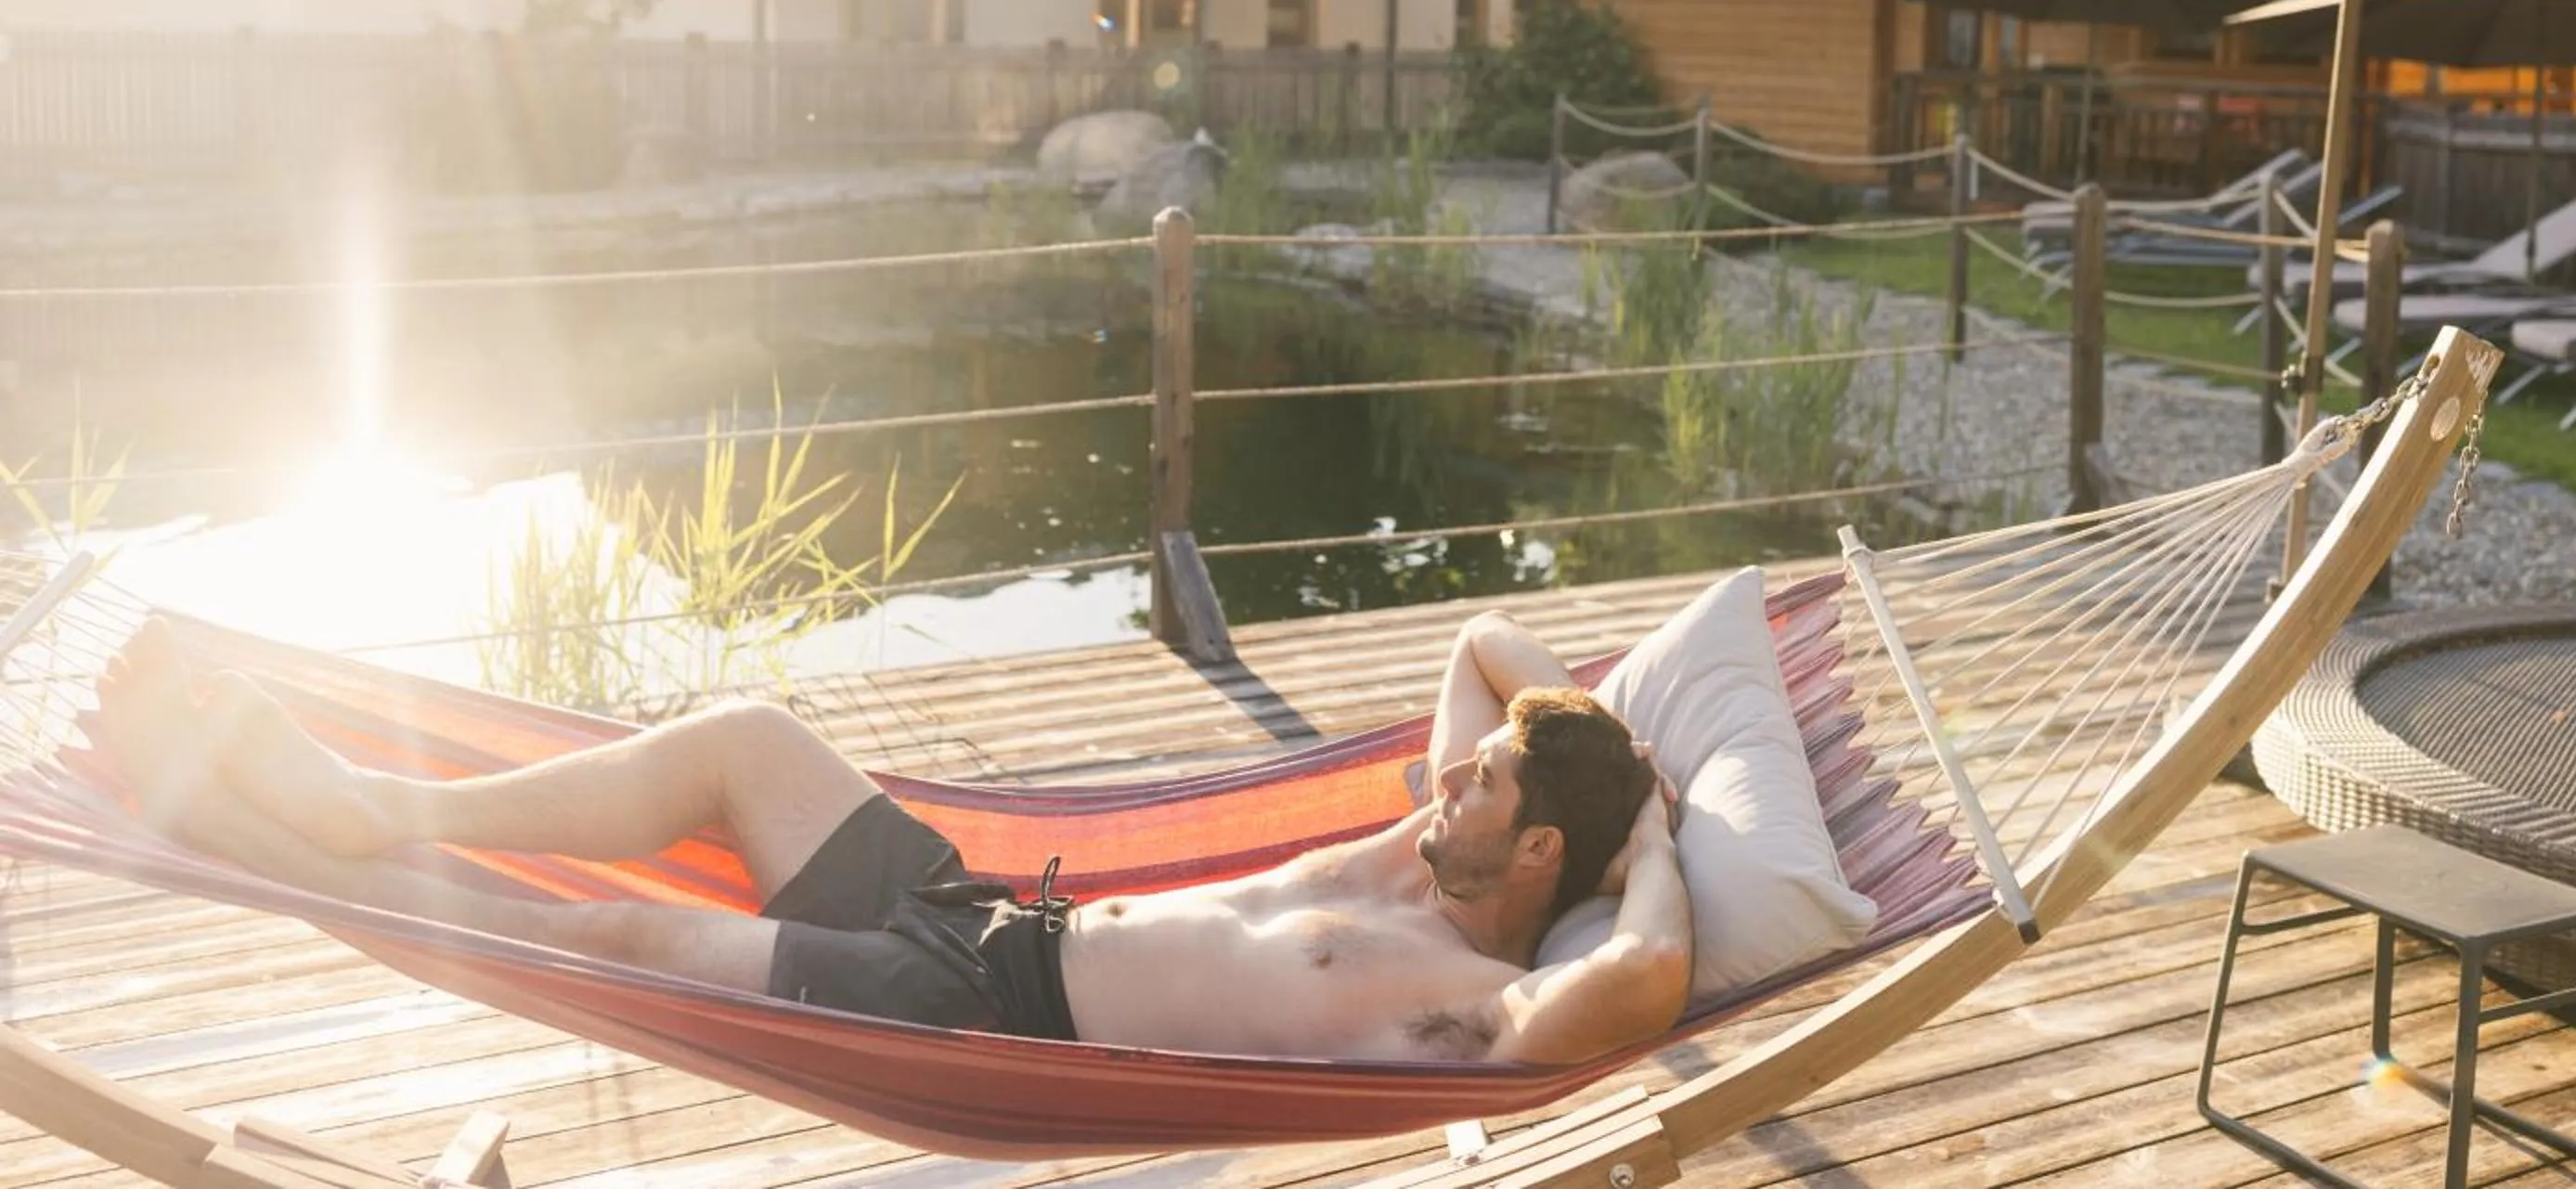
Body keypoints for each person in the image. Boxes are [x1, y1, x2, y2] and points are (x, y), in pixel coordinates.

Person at [94, 609, 1688, 1065]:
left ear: (1544, 857)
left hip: (982, 1015)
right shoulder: (1415, 855)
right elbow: (1483, 639)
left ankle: (268, 847)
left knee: (636, 939)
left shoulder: (1471, 1007)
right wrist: (1613, 764)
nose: (1443, 785)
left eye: (1483, 789)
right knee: (744, 743)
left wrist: (1656, 842)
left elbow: (1655, 972)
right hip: (986, 907)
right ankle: (383, 810)